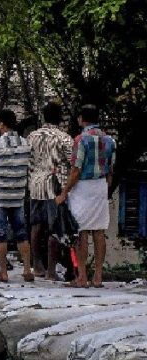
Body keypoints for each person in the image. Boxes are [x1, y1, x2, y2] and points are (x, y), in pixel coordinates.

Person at [55, 104, 116, 288]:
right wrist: (105, 187)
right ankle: (98, 276)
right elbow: (111, 170)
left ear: (82, 118)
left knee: (81, 231)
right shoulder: (110, 141)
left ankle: (82, 276)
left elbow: (76, 170)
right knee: (99, 231)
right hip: (100, 186)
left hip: (83, 187)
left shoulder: (81, 140)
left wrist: (64, 192)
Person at [0, 109, 35, 283]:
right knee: (21, 233)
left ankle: (3, 272)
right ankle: (26, 269)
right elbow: (31, 164)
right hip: (17, 195)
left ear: (1, 124)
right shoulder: (25, 143)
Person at [26, 100, 72, 279]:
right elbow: (72, 162)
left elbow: (28, 161)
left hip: (35, 184)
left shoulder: (32, 137)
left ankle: (37, 265)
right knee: (55, 227)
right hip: (55, 185)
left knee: (36, 225)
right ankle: (51, 270)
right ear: (60, 118)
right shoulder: (63, 138)